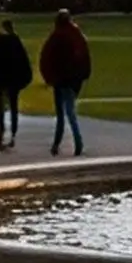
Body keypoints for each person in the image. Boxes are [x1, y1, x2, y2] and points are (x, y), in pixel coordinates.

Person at [39, 11, 93, 157]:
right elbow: (84, 57)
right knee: (70, 112)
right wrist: (84, 75)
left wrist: (49, 78)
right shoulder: (77, 35)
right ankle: (77, 142)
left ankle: (56, 144)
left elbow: (46, 57)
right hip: (74, 80)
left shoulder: (56, 36)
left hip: (60, 80)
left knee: (61, 115)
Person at [0, 19, 33, 152]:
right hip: (14, 81)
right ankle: (13, 135)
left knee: (0, 109)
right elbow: (24, 62)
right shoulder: (16, 42)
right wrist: (25, 78)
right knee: (13, 107)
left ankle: (0, 136)